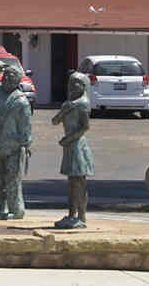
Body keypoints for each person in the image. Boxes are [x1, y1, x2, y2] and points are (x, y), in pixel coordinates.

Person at [0, 61, 32, 220]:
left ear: (18, 81)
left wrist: (26, 144)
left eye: (12, 76)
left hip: (13, 147)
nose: (8, 78)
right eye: (6, 74)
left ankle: (16, 209)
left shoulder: (21, 101)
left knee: (12, 180)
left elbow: (26, 126)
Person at [52, 70, 94, 228]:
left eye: (77, 83)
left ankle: (81, 217)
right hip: (69, 145)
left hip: (77, 144)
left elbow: (85, 127)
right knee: (71, 182)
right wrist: (63, 110)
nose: (73, 86)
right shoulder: (68, 104)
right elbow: (55, 121)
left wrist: (68, 139)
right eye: (71, 82)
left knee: (79, 182)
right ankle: (71, 214)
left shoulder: (83, 104)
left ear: (84, 86)